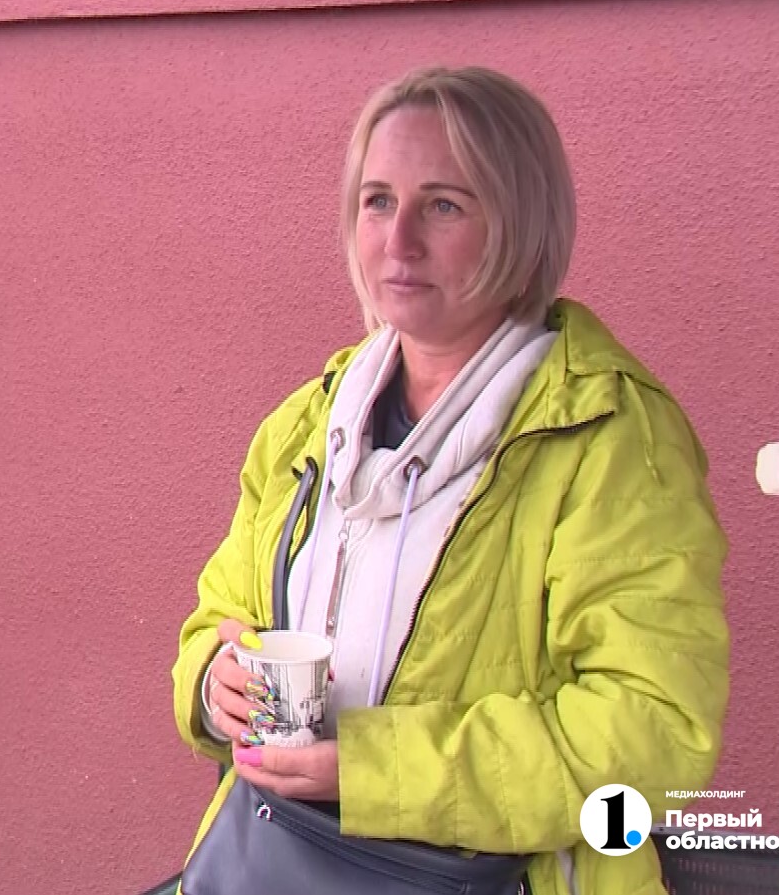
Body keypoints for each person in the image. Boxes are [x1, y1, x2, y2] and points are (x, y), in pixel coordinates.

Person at [171, 65, 730, 894]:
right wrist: (212, 687)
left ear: (521, 223)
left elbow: (653, 735)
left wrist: (372, 770)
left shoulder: (608, 441)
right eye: (377, 201)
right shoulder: (308, 425)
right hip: (277, 862)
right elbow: (216, 620)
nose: (397, 242)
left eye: (442, 205)